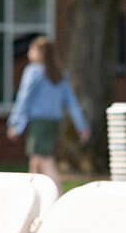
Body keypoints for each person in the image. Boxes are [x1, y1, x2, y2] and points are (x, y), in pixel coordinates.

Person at [7, 36, 90, 192]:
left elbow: (23, 98)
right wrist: (81, 126)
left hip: (39, 123)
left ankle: (57, 194)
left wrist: (15, 124)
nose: (29, 53)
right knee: (36, 161)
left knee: (45, 161)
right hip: (53, 124)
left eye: (32, 50)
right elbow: (72, 103)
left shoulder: (33, 71)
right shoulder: (59, 75)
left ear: (40, 53)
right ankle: (34, 196)